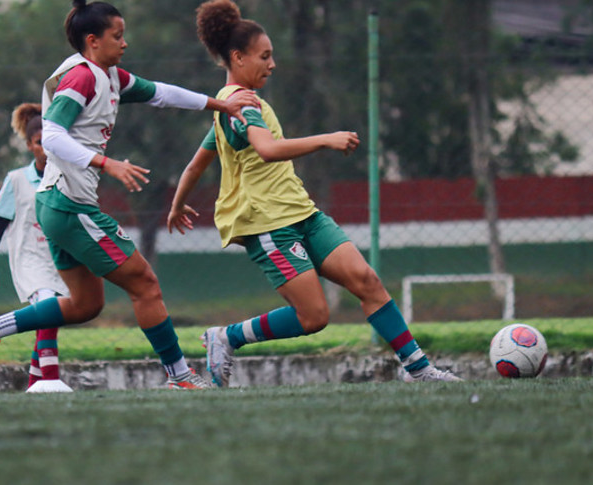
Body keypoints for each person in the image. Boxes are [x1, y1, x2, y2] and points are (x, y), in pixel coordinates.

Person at [0, 0, 259, 389]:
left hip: (57, 205)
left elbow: (160, 93)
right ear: (93, 41)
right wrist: (107, 164)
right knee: (145, 283)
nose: (124, 43)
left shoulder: (109, 75)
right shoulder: (81, 78)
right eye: (117, 36)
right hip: (69, 205)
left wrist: (220, 104)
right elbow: (52, 135)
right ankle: (180, 376)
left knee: (85, 305)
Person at [166, 0, 462, 387]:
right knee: (314, 317)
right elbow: (268, 150)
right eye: (265, 56)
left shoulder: (235, 104)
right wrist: (326, 139)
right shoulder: (242, 106)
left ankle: (420, 371)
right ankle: (227, 337)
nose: (272, 64)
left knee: (367, 281)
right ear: (238, 57)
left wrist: (177, 205)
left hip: (303, 215)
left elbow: (196, 164)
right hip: (269, 225)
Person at [0, 103, 73, 393]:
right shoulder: (17, 180)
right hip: (30, 261)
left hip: (61, 261)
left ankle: (34, 384)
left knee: (50, 318)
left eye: (50, 142)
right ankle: (51, 380)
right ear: (29, 146)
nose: (46, 149)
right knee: (47, 310)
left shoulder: (67, 177)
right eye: (39, 142)